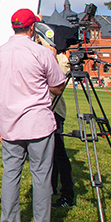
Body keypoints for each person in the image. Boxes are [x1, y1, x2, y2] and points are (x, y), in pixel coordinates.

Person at [0, 8, 67, 222]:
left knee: (11, 174)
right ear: (32, 27)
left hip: (10, 123)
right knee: (41, 176)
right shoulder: (41, 52)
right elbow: (58, 86)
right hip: (38, 123)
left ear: (14, 26)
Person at [50, 52, 74, 208]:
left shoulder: (58, 58)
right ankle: (51, 189)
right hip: (43, 110)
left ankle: (67, 194)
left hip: (54, 110)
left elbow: (58, 86)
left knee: (59, 153)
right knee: (50, 155)